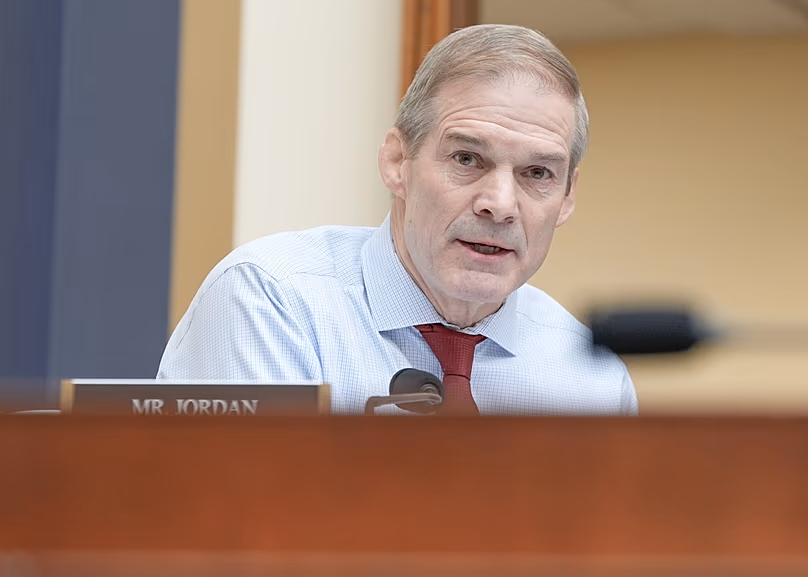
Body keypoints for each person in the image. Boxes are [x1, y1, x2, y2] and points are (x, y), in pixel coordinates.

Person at [158, 24, 638, 416]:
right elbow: (239, 522)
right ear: (396, 162)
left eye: (537, 173)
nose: (500, 203)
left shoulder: (592, 375)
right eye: (467, 159)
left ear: (568, 196)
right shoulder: (272, 301)